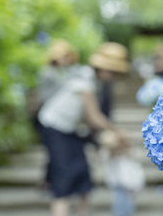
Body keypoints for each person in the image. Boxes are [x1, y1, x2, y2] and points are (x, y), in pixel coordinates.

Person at [37, 42, 129, 216]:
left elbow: (88, 118)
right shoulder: (84, 79)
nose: (113, 75)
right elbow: (93, 117)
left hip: (71, 130)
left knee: (83, 177)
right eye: (112, 71)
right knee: (63, 180)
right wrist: (117, 131)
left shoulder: (95, 82)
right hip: (55, 128)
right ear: (102, 68)